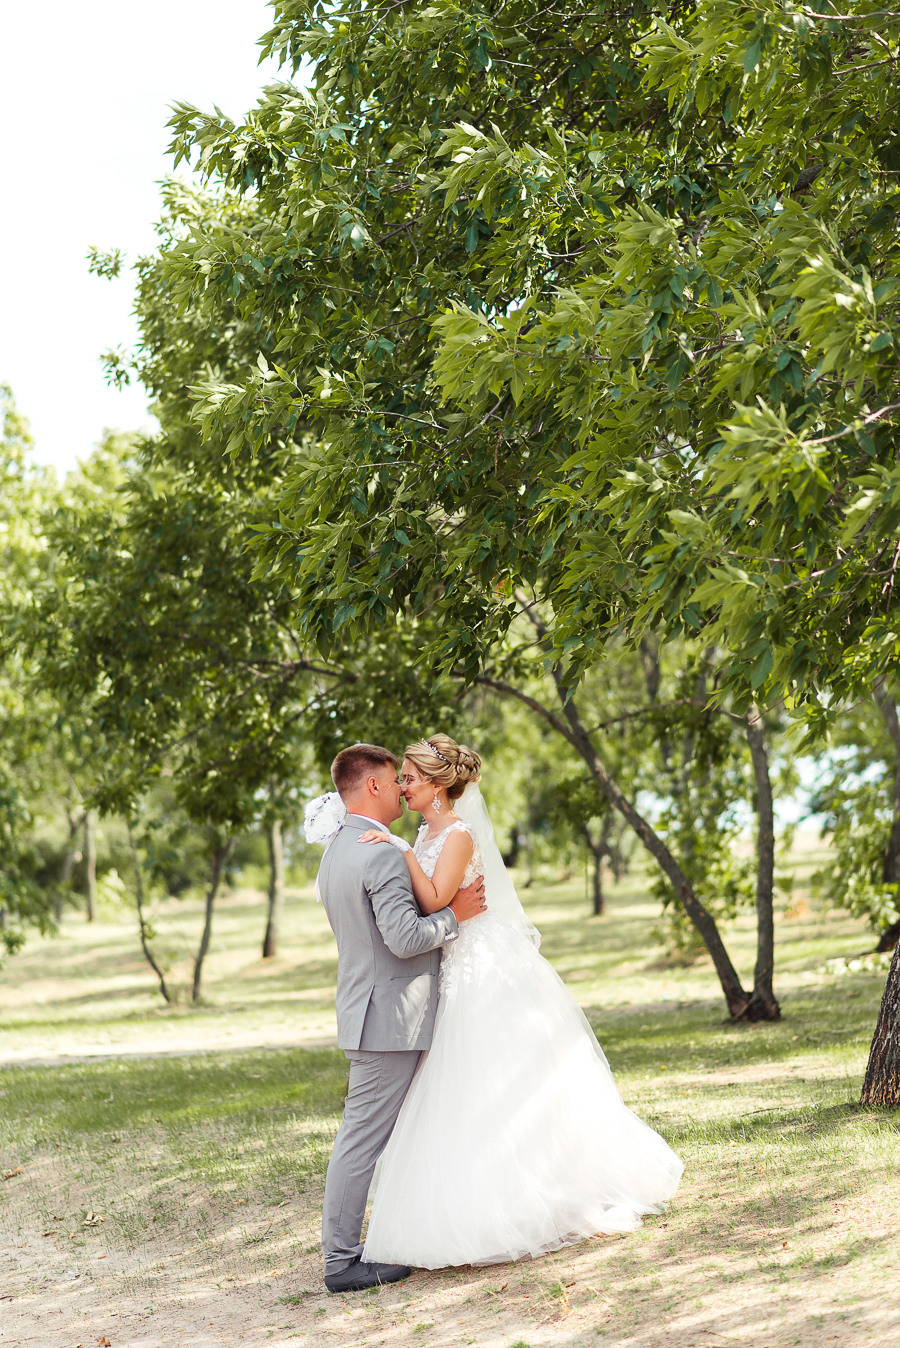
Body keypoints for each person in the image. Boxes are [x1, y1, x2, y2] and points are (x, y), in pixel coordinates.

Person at [357, 733, 684, 1270]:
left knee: (493, 1069)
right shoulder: (424, 832)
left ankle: (537, 1194)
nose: (403, 787)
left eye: (411, 778)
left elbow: (437, 899)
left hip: (484, 964)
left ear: (438, 785)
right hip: (454, 959)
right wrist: (406, 852)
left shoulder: (456, 833)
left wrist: (398, 853)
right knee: (464, 1079)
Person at [311, 743, 486, 1293]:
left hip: (365, 1007)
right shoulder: (381, 853)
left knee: (396, 1132)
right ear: (373, 788)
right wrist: (455, 916)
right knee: (361, 1140)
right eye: (395, 779)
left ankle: (424, 1227)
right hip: (388, 1017)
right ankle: (341, 1262)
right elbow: (406, 938)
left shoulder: (338, 848)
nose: (401, 788)